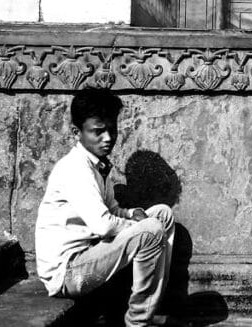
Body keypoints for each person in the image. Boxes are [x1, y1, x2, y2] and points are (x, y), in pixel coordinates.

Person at [35, 88, 180, 326]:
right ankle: (138, 321)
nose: (108, 138)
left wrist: (132, 214)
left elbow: (112, 211)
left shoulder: (99, 166)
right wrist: (139, 225)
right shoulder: (75, 169)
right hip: (69, 273)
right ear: (76, 132)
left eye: (111, 129)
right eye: (98, 131)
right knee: (151, 229)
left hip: (90, 255)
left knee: (162, 214)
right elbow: (103, 225)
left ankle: (149, 308)